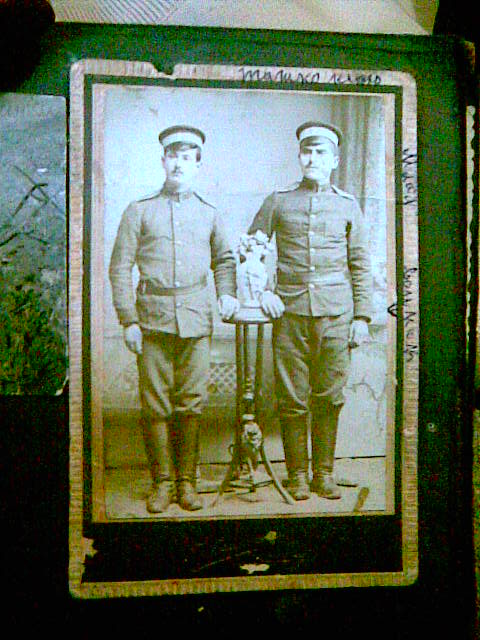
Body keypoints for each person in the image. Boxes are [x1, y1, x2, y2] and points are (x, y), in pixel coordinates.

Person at [109, 125, 239, 513]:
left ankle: (187, 483)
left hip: (196, 320)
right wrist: (128, 320)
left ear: (197, 164)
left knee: (191, 403)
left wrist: (227, 294)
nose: (179, 164)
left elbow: (224, 260)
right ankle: (162, 484)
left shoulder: (209, 213)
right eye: (173, 156)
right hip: (152, 321)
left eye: (187, 157)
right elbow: (120, 267)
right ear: (162, 161)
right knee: (155, 405)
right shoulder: (139, 210)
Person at [247, 121, 372, 501]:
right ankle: (298, 475)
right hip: (290, 313)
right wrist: (263, 292)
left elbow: (360, 263)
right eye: (307, 152)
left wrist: (362, 317)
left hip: (337, 314)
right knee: (292, 397)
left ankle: (324, 474)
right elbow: (249, 252)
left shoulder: (347, 205)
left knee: (330, 396)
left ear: (334, 160)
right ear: (299, 157)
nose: (313, 159)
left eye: (321, 153)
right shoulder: (278, 200)